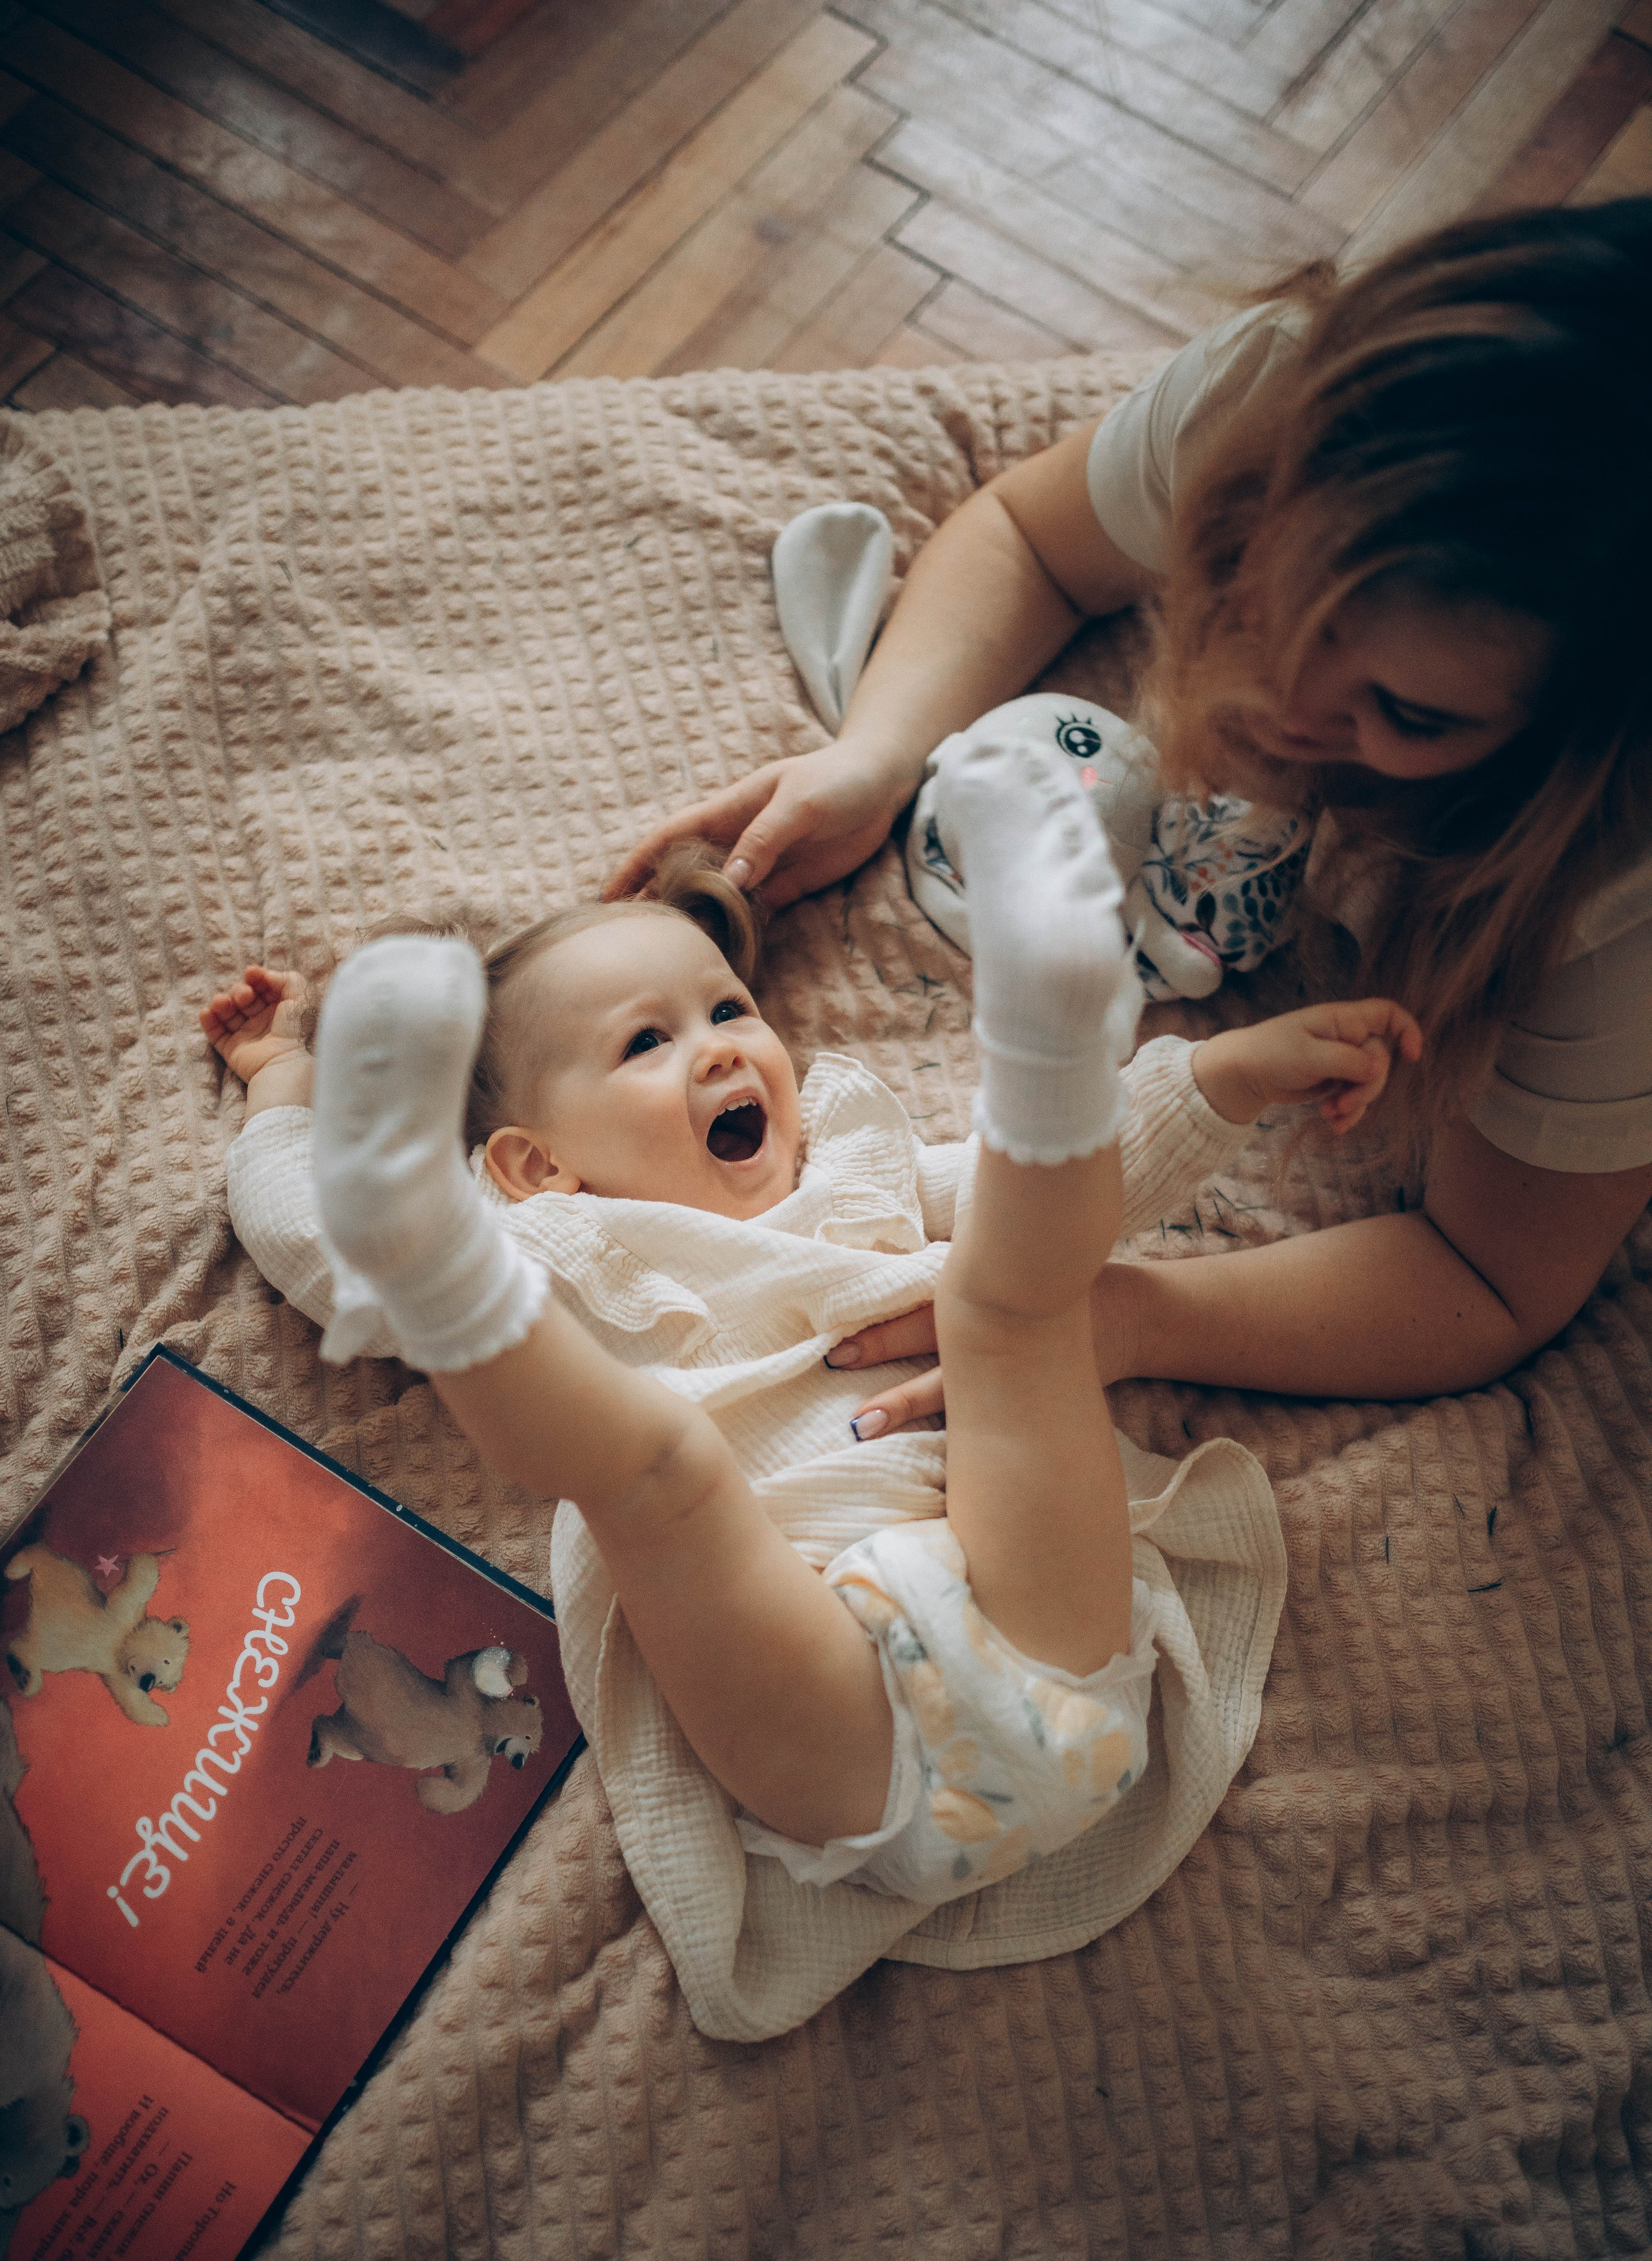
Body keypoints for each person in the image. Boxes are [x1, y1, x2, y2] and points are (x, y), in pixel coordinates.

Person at [201, 742, 1411, 2036]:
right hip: (845, 1747)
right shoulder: (554, 1239)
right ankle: (443, 1286)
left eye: (730, 1011)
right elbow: (307, 1245)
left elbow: (1073, 1203)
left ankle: (1048, 1020)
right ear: (532, 1164)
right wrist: (282, 1086)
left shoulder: (854, 1167)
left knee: (1013, 1299)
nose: (724, 1049)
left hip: (1048, 1628)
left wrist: (1222, 1075)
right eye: (648, 1043)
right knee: (656, 1476)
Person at [611, 201, 1652, 1432]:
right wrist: (882, 749)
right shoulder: (1265, 395)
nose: (1269, 714)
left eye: (1407, 714)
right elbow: (1031, 538)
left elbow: (1490, 1280)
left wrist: (1131, 1315)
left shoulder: (1612, 911)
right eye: (1263, 601)